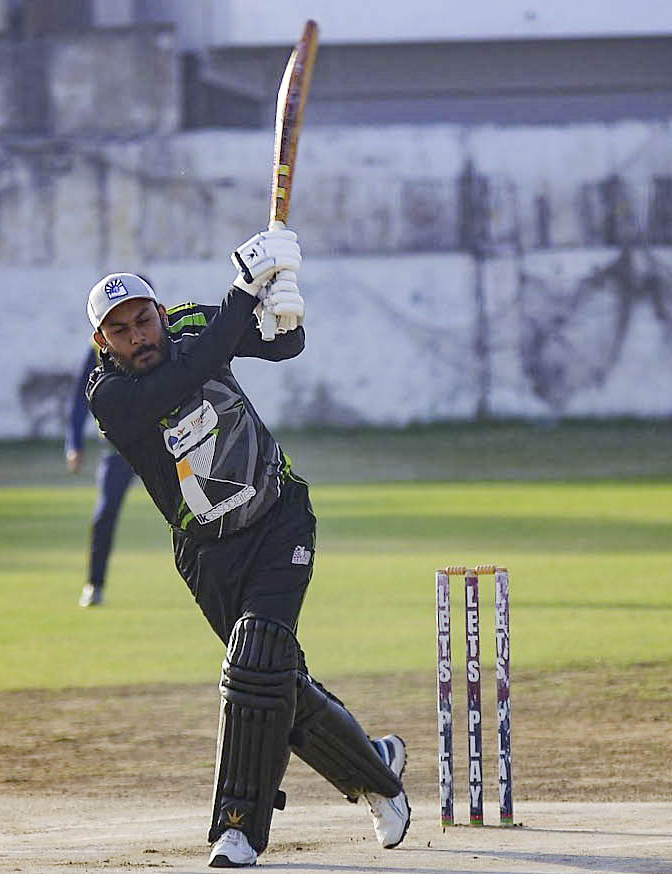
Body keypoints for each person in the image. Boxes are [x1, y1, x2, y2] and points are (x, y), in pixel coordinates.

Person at [83, 231, 410, 868]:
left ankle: (238, 830)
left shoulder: (193, 324)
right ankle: (377, 770)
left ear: (160, 311)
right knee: (275, 680)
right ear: (103, 341)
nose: (138, 337)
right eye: (120, 331)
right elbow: (184, 377)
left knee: (258, 660)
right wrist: (241, 290)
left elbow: (280, 345)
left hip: (278, 517)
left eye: (144, 319)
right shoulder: (109, 395)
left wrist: (285, 309)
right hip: (206, 552)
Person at [66, 344, 136, 607]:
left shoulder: (153, 335)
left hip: (159, 439)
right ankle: (94, 584)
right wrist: (74, 444)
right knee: (104, 514)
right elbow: (80, 396)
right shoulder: (98, 347)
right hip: (118, 448)